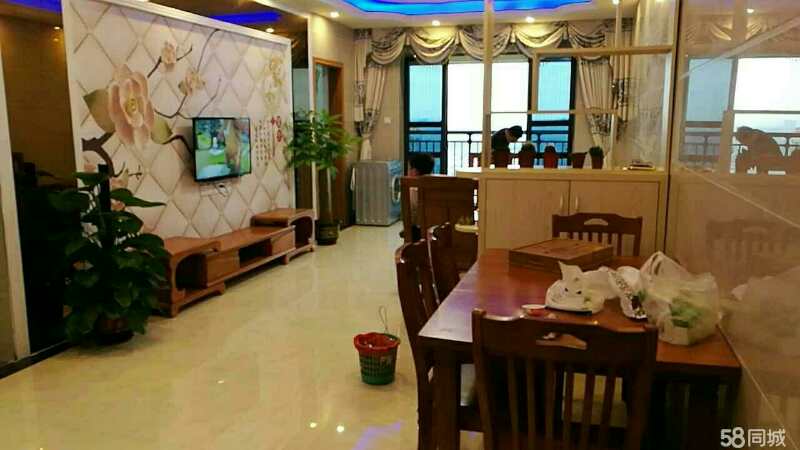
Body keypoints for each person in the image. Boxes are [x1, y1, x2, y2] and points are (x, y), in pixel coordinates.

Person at [403, 154, 435, 241]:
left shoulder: (412, 190)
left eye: (409, 169)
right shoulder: (434, 188)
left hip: (418, 233)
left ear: (414, 171)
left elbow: (411, 218)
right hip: (434, 230)